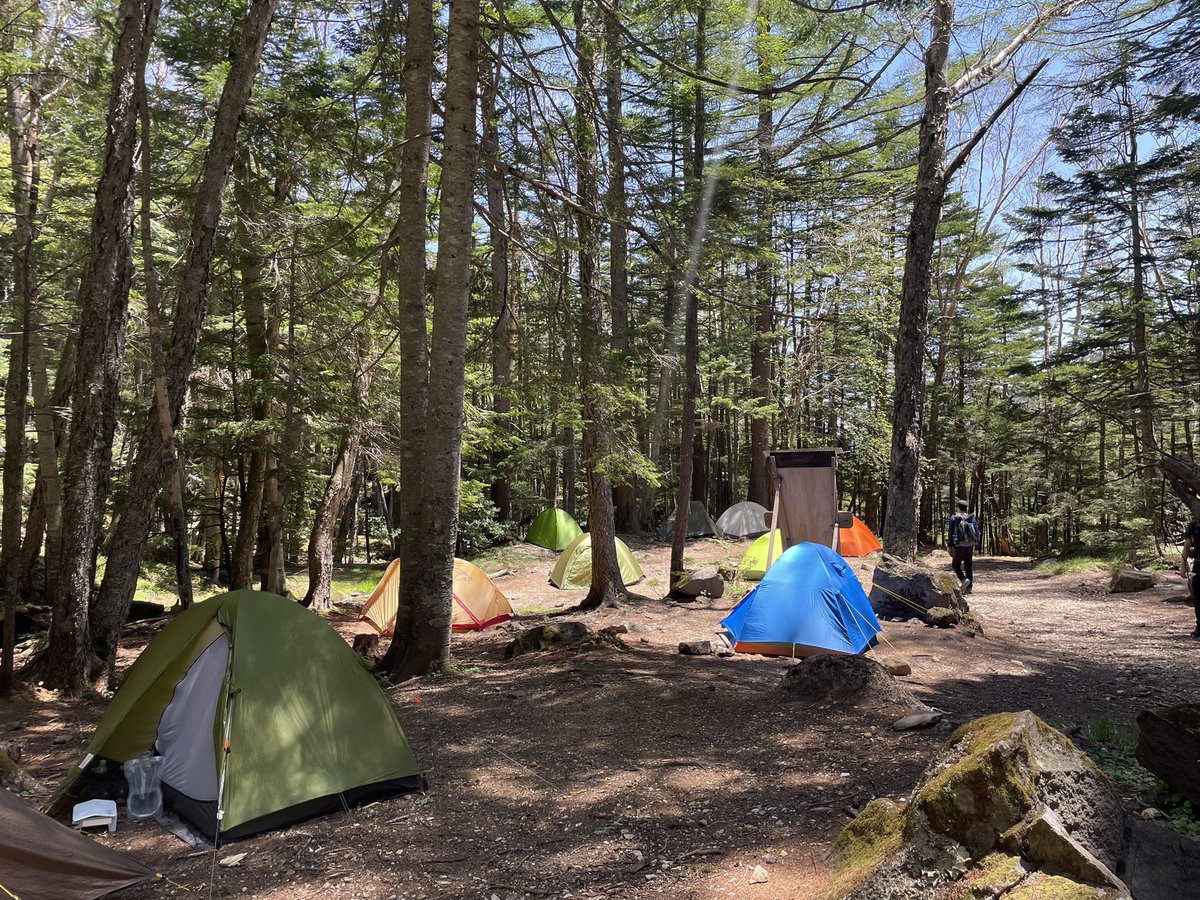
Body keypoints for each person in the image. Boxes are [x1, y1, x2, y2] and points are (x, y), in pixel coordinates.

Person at [948, 499, 980, 592]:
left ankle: (963, 580)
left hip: (958, 545)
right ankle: (969, 588)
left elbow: (950, 532)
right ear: (966, 509)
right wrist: (977, 548)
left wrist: (949, 545)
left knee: (955, 565)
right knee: (968, 566)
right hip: (970, 545)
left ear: (957, 508)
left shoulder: (954, 518)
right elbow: (977, 533)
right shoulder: (971, 518)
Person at [1183, 520, 1198, 638]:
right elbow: (1187, 546)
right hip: (1199, 565)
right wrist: (1183, 566)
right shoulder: (1194, 524)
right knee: (1198, 597)